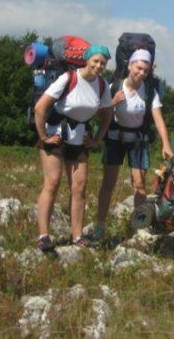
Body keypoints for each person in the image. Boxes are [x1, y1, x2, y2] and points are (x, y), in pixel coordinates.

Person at [34, 44, 113, 251]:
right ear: (87, 60)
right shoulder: (69, 78)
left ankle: (77, 236)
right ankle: (43, 236)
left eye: (103, 63)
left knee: (79, 188)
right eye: (95, 61)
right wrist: (43, 137)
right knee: (52, 183)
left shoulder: (102, 85)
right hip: (57, 136)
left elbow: (107, 115)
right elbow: (40, 107)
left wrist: (97, 139)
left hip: (80, 140)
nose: (98, 66)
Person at [94, 49, 173, 241]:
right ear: (129, 65)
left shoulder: (150, 91)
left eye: (145, 70)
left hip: (138, 139)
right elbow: (99, 115)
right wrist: (113, 102)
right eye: (138, 68)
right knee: (108, 184)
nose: (141, 73)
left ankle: (139, 225)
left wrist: (166, 144)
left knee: (139, 185)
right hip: (115, 138)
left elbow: (158, 119)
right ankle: (100, 225)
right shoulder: (114, 86)